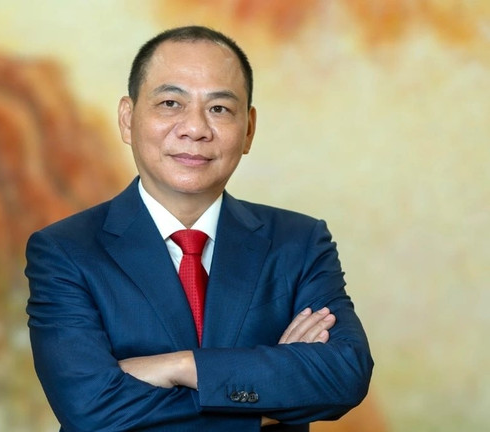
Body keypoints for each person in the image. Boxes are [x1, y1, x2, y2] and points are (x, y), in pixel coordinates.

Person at [25, 25, 373, 432]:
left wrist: (179, 366)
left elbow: (345, 374)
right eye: (170, 103)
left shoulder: (299, 242)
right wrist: (268, 398)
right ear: (127, 118)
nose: (195, 128)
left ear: (248, 129)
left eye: (219, 109)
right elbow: (89, 408)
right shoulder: (65, 250)